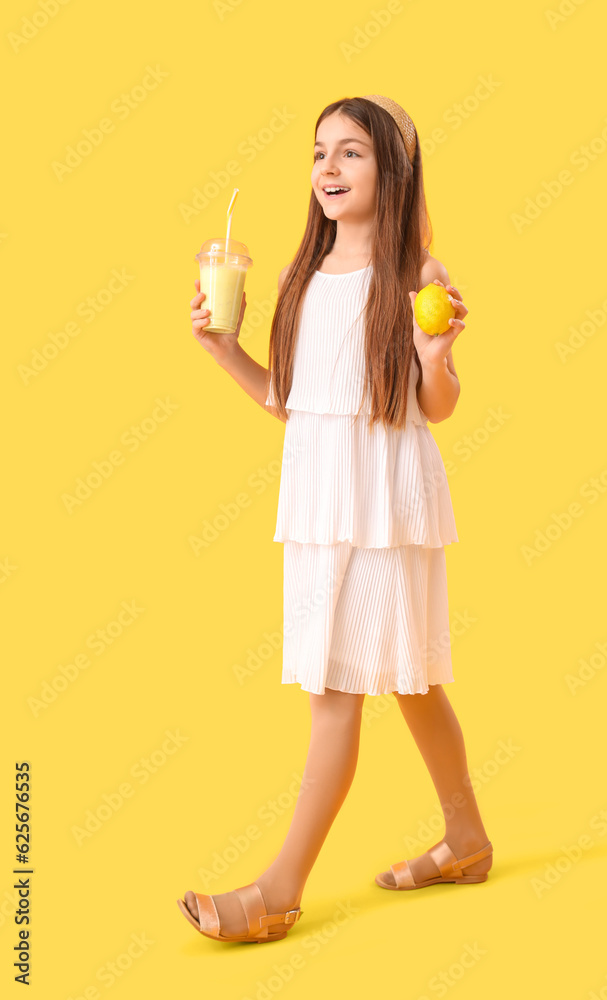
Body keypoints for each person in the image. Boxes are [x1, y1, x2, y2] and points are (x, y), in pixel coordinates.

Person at [177, 95, 493, 945]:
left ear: (392, 170)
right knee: (413, 683)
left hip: (387, 499)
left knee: (345, 692)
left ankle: (277, 891)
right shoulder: (297, 280)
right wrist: (223, 349)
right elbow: (291, 403)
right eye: (319, 152)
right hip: (319, 504)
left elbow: (437, 404)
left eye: (351, 153)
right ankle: (465, 838)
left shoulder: (418, 278)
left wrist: (434, 359)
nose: (327, 168)